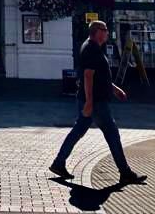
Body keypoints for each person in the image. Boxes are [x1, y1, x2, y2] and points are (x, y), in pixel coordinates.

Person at [50, 20, 146, 185]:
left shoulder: (92, 47)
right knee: (112, 134)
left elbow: (100, 76)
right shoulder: (91, 49)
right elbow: (88, 76)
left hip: (91, 99)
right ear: (97, 31)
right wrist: (89, 102)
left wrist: (115, 89)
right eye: (105, 30)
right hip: (96, 102)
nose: (108, 32)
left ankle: (59, 163)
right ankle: (125, 172)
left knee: (78, 131)